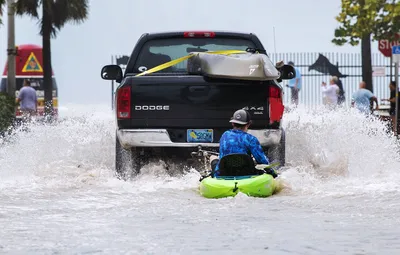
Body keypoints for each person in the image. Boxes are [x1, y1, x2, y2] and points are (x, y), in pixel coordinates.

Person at [209, 109, 277, 178]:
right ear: (249, 123)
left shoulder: (224, 135)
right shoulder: (251, 139)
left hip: (224, 173)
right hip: (246, 173)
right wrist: (273, 174)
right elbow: (262, 161)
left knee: (213, 157)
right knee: (253, 161)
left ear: (232, 123)